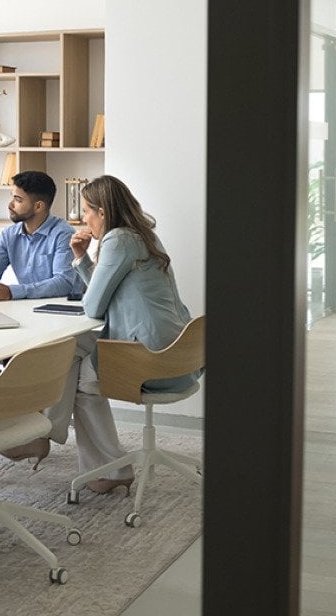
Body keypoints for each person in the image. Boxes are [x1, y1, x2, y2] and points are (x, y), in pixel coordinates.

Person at [11, 175, 200, 493]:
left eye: (86, 210)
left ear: (103, 211)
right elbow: (106, 294)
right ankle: (74, 452)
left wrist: (82, 260)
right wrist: (83, 260)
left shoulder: (118, 240)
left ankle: (50, 440)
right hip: (178, 352)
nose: (83, 218)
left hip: (148, 356)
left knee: (79, 375)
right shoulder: (143, 235)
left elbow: (95, 306)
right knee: (67, 350)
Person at [0, 171, 84, 387]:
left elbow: (63, 282)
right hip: (24, 318)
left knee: (21, 360)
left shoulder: (63, 234)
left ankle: (20, 399)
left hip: (58, 321)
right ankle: (7, 396)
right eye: (12, 197)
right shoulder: (9, 235)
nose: (10, 204)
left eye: (18, 200)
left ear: (38, 206)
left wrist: (12, 292)